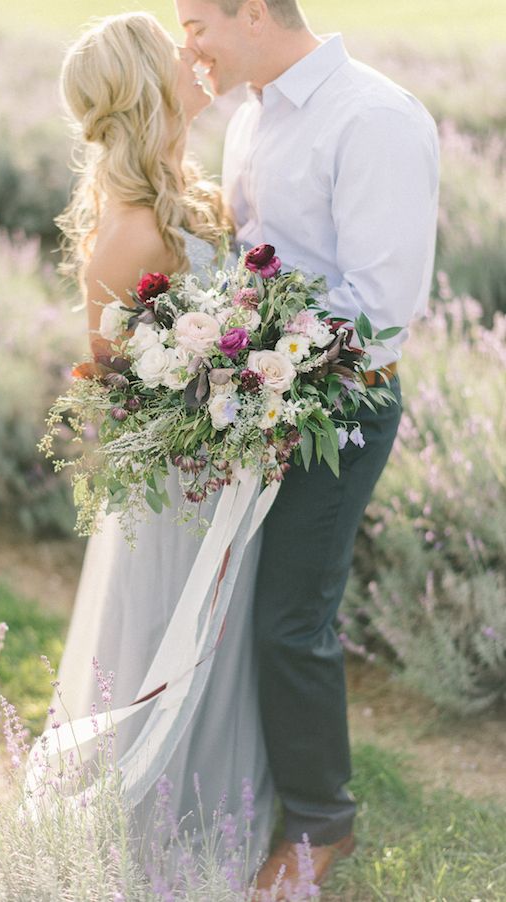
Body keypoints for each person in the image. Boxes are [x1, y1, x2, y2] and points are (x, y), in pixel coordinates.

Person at [176, 0, 440, 892]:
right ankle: (254, 781)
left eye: (196, 23)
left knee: (293, 617)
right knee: (247, 601)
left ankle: (321, 822)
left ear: (252, 11)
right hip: (259, 397)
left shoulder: (375, 118)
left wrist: (271, 379)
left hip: (342, 407)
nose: (189, 45)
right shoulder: (250, 116)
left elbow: (379, 307)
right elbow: (257, 259)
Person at [49, 11, 276, 880]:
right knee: (174, 647)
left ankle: (223, 806)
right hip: (182, 487)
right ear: (148, 85)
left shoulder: (181, 192)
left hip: (223, 467)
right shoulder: (133, 230)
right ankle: (160, 845)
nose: (195, 56)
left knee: (220, 645)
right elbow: (119, 393)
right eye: (175, 50)